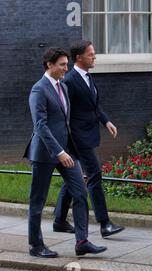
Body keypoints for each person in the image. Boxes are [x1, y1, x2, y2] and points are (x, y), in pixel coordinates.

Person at [24, 48, 107, 258]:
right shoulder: (38, 90)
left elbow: (65, 121)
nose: (66, 68)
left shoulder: (63, 87)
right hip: (45, 153)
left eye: (66, 64)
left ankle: (82, 242)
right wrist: (59, 152)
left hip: (67, 151)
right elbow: (41, 125)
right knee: (38, 200)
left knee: (79, 192)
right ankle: (36, 246)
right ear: (49, 65)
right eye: (62, 64)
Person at [53, 40, 124, 238]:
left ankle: (59, 220)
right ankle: (104, 223)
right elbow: (63, 112)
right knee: (94, 175)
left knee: (73, 177)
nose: (94, 57)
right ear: (79, 57)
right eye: (91, 54)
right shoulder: (70, 80)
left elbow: (93, 104)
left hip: (87, 134)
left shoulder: (86, 76)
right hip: (77, 138)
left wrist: (106, 121)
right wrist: (68, 139)